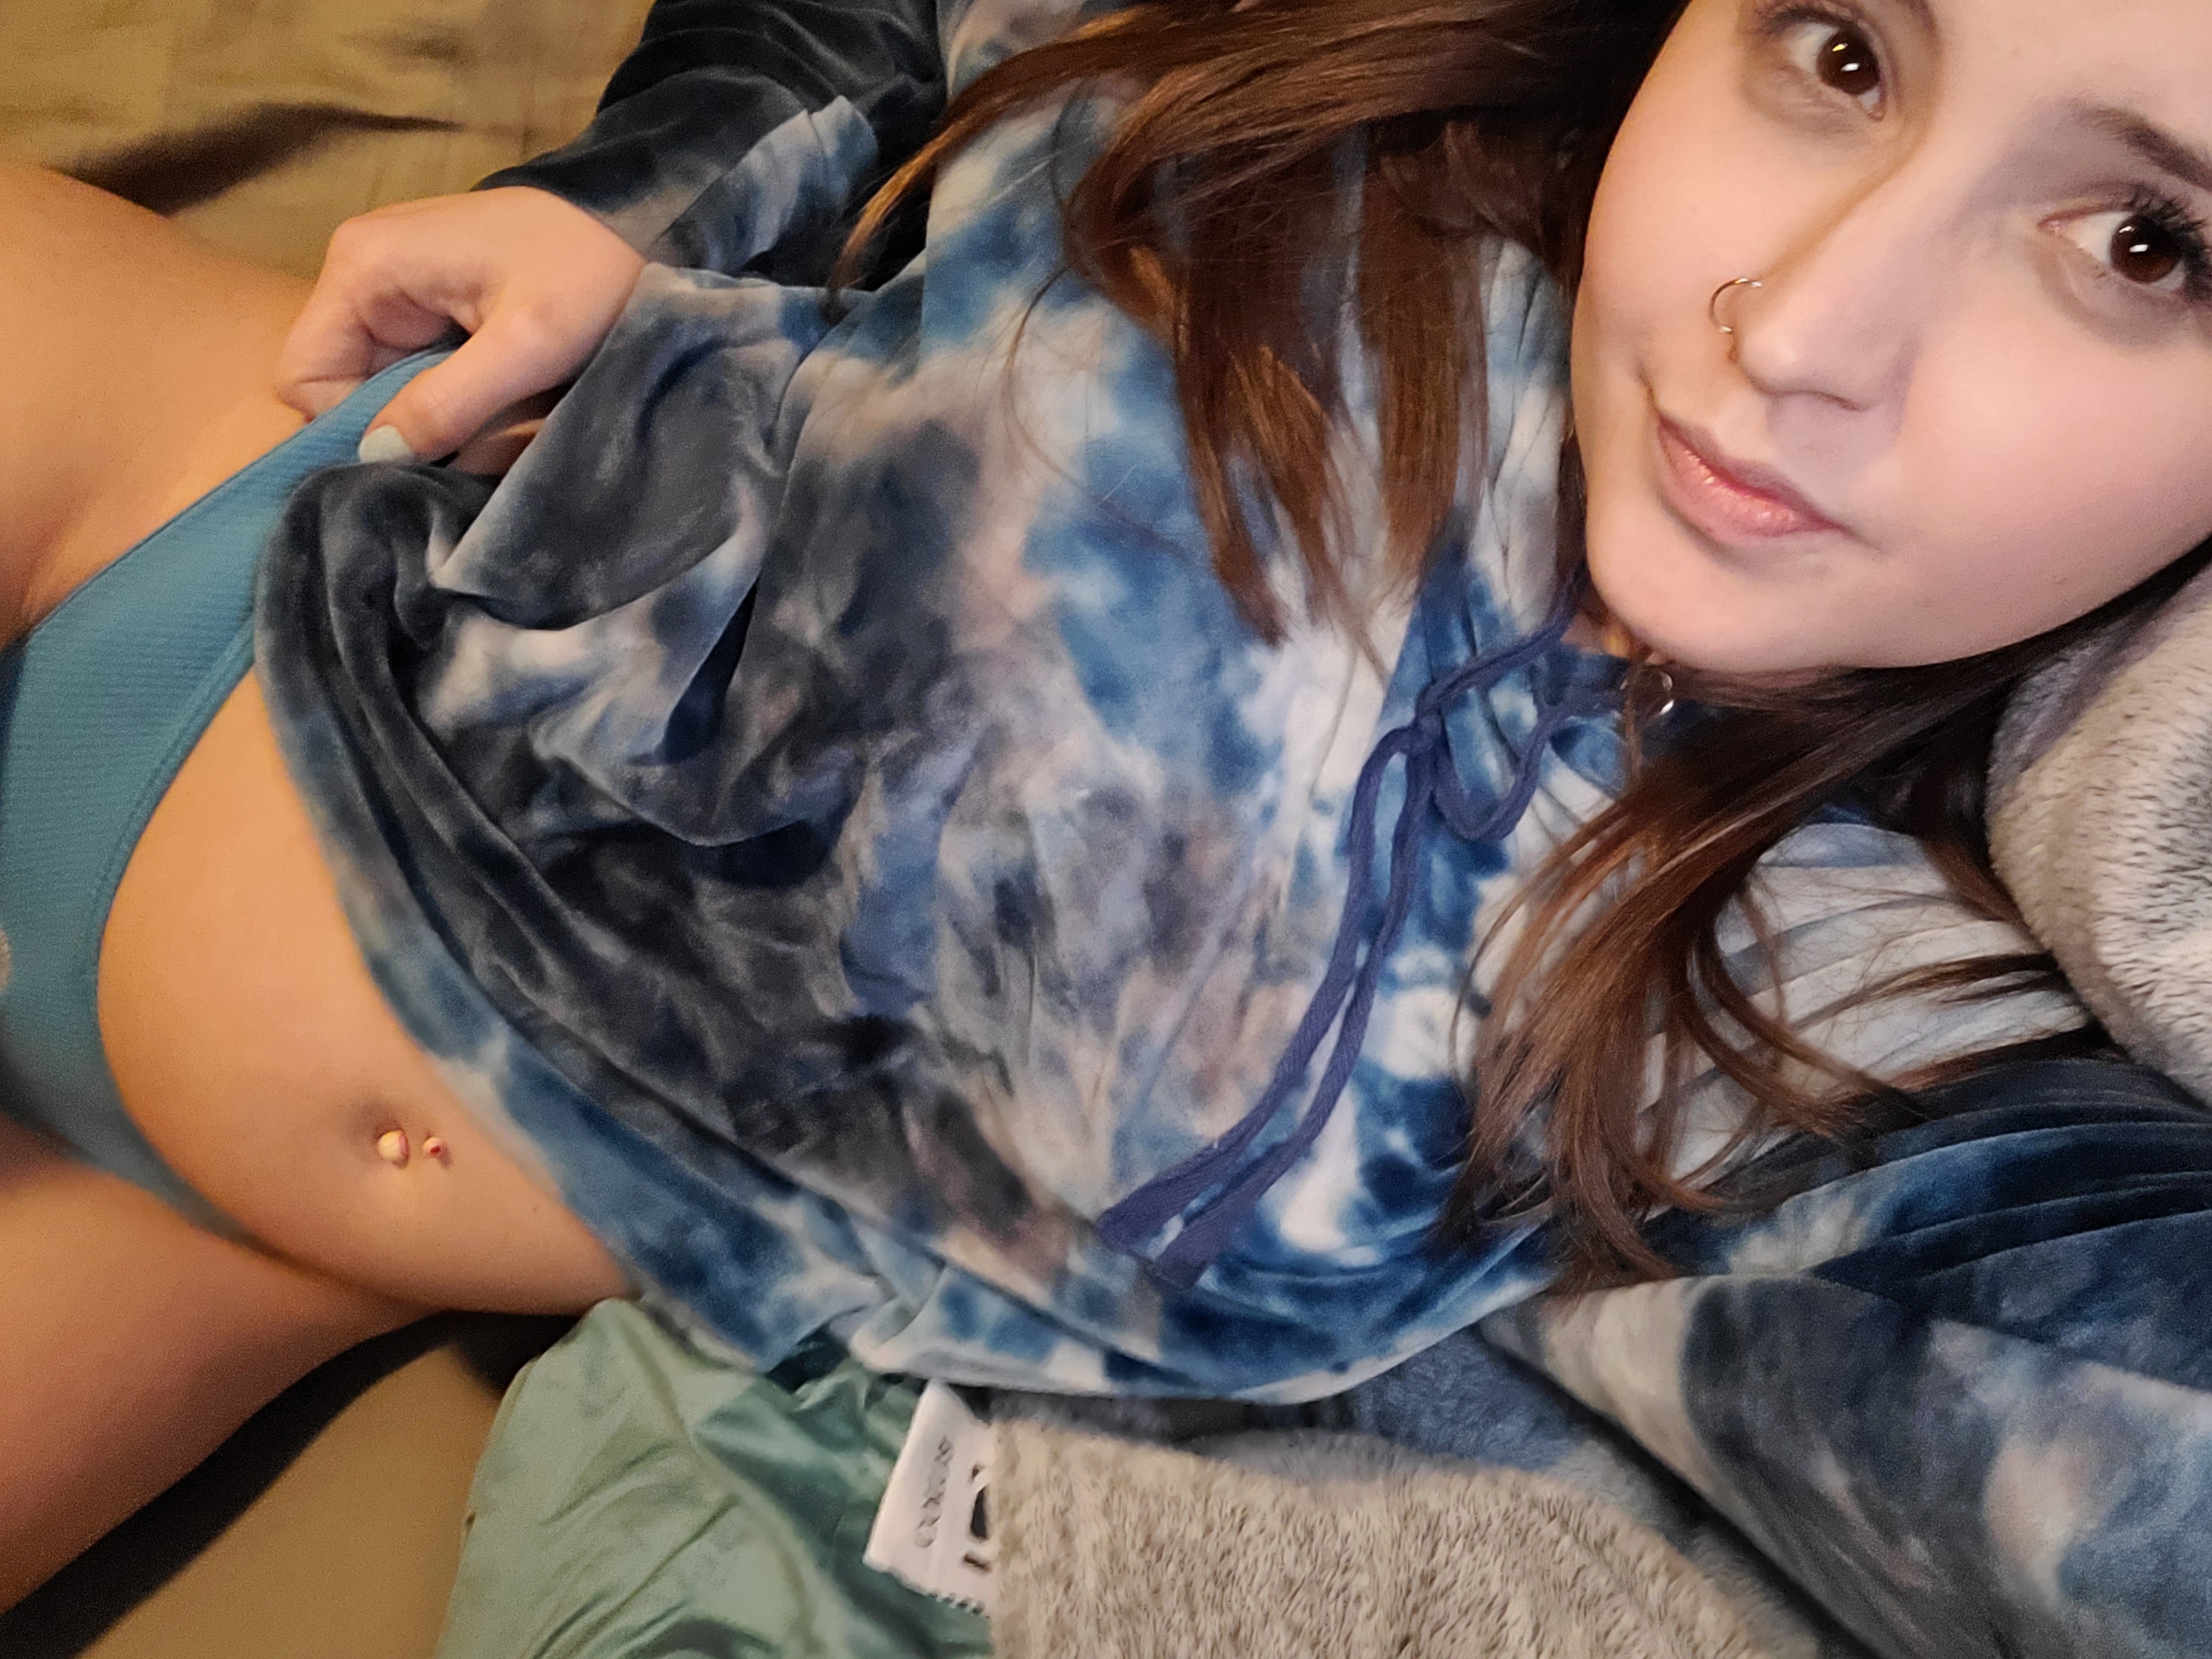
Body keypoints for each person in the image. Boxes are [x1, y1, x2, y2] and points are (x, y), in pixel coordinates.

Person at [5, 0, 2211, 1615]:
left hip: (245, 1240)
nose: (1801, 327)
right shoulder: (1403, 98)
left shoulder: (1893, 1067)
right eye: (1841, 52)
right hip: (214, 479)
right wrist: (636, 205)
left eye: (2144, 244)